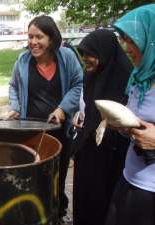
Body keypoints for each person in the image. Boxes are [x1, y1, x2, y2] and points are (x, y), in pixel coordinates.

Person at [7, 15, 83, 224]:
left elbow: (78, 84)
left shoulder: (66, 56)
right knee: (32, 175)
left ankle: (57, 213)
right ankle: (33, 214)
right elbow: (13, 86)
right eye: (30, 37)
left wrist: (62, 109)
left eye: (38, 37)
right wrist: (14, 107)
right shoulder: (22, 60)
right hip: (30, 132)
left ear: (51, 37)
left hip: (59, 132)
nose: (33, 42)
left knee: (57, 176)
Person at [72, 29, 133, 225]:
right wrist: (80, 116)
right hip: (89, 146)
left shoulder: (126, 78)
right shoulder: (90, 76)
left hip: (112, 153)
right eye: (82, 54)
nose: (85, 59)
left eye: (89, 54)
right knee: (86, 196)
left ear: (104, 52)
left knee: (105, 200)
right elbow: (87, 106)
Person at [105, 4, 155, 225]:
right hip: (129, 178)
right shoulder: (139, 77)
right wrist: (123, 126)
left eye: (132, 39)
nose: (126, 46)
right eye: (124, 39)